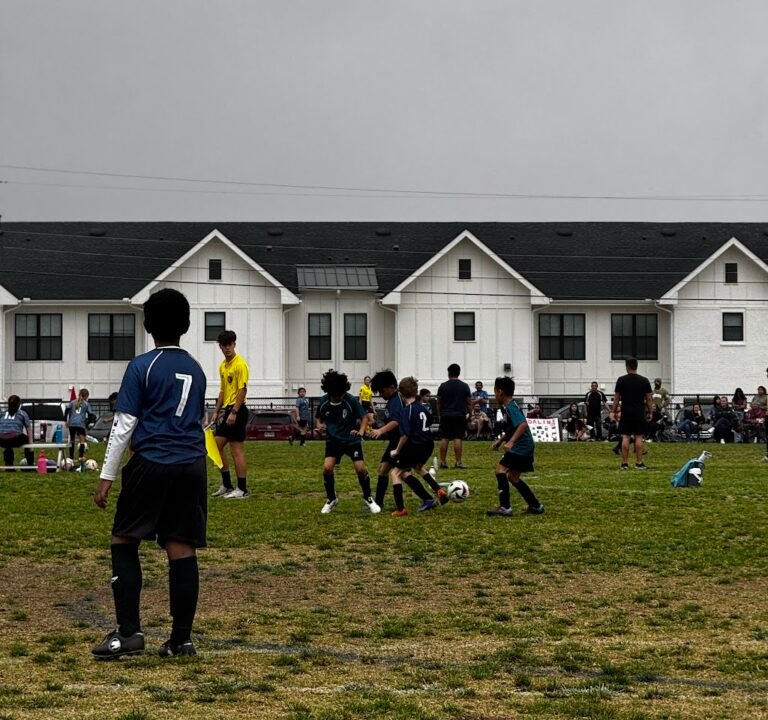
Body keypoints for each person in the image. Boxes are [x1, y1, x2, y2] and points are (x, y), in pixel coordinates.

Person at [91, 288, 207, 659]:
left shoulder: (142, 366)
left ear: (146, 324)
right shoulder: (196, 367)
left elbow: (124, 425)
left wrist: (106, 477)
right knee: (181, 545)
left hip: (153, 462)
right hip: (192, 464)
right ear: (187, 325)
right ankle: (181, 639)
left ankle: (128, 633)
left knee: (124, 539)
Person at [315, 369, 378, 515]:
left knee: (360, 469)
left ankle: (368, 498)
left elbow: (364, 418)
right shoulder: (324, 401)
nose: (341, 397)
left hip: (351, 440)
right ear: (331, 392)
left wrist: (361, 432)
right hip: (333, 440)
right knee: (327, 468)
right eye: (338, 395)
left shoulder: (350, 400)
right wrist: (319, 426)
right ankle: (331, 499)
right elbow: (319, 417)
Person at [486, 376, 544, 517]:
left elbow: (523, 424)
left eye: (495, 392)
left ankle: (505, 507)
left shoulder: (511, 406)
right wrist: (501, 441)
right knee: (513, 477)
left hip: (521, 446)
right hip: (526, 446)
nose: (494, 395)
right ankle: (536, 506)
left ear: (500, 392)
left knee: (500, 471)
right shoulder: (511, 406)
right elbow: (513, 427)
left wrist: (511, 442)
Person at [388, 376, 441, 515]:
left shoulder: (407, 410)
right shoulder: (422, 407)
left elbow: (405, 435)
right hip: (428, 443)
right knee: (417, 468)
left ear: (400, 393)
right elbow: (428, 421)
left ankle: (400, 509)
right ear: (416, 391)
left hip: (415, 445)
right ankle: (437, 491)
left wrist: (396, 450)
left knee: (395, 473)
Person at [210, 330, 250, 500]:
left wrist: (234, 412)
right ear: (220, 347)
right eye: (224, 345)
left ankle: (242, 489)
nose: (227, 348)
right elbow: (222, 391)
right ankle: (227, 485)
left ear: (234, 345)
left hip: (238, 410)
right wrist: (217, 412)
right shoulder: (222, 366)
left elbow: (242, 389)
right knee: (215, 446)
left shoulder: (240, 364)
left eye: (230, 344)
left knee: (236, 450)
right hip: (227, 410)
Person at [613, 357, 654, 470]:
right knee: (639, 437)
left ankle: (624, 463)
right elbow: (649, 399)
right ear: (636, 366)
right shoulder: (644, 380)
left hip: (626, 411)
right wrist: (650, 411)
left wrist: (613, 411)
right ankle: (639, 463)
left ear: (627, 367)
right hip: (639, 412)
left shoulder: (621, 380)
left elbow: (616, 398)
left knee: (625, 436)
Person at [436, 364, 472, 469]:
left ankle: (443, 462)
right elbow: (469, 402)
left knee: (445, 438)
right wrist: (470, 414)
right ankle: (458, 462)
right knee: (458, 438)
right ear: (459, 373)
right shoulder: (464, 386)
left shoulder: (443, 386)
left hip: (446, 415)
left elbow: (439, 402)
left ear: (449, 373)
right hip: (459, 415)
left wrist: (440, 414)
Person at [0, 395, 34, 468]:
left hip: (1, 440)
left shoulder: (2, 413)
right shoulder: (22, 413)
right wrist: (31, 445)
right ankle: (30, 464)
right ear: (19, 404)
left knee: (7, 445)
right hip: (15, 439)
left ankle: (9, 465)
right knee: (26, 439)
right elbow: (29, 429)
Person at [66, 388, 92, 462]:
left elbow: (66, 411)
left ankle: (71, 457)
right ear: (86, 396)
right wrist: (87, 423)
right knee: (82, 441)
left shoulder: (72, 402)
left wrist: (66, 420)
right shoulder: (86, 404)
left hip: (72, 423)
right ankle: (80, 457)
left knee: (72, 440)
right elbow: (90, 414)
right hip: (80, 424)